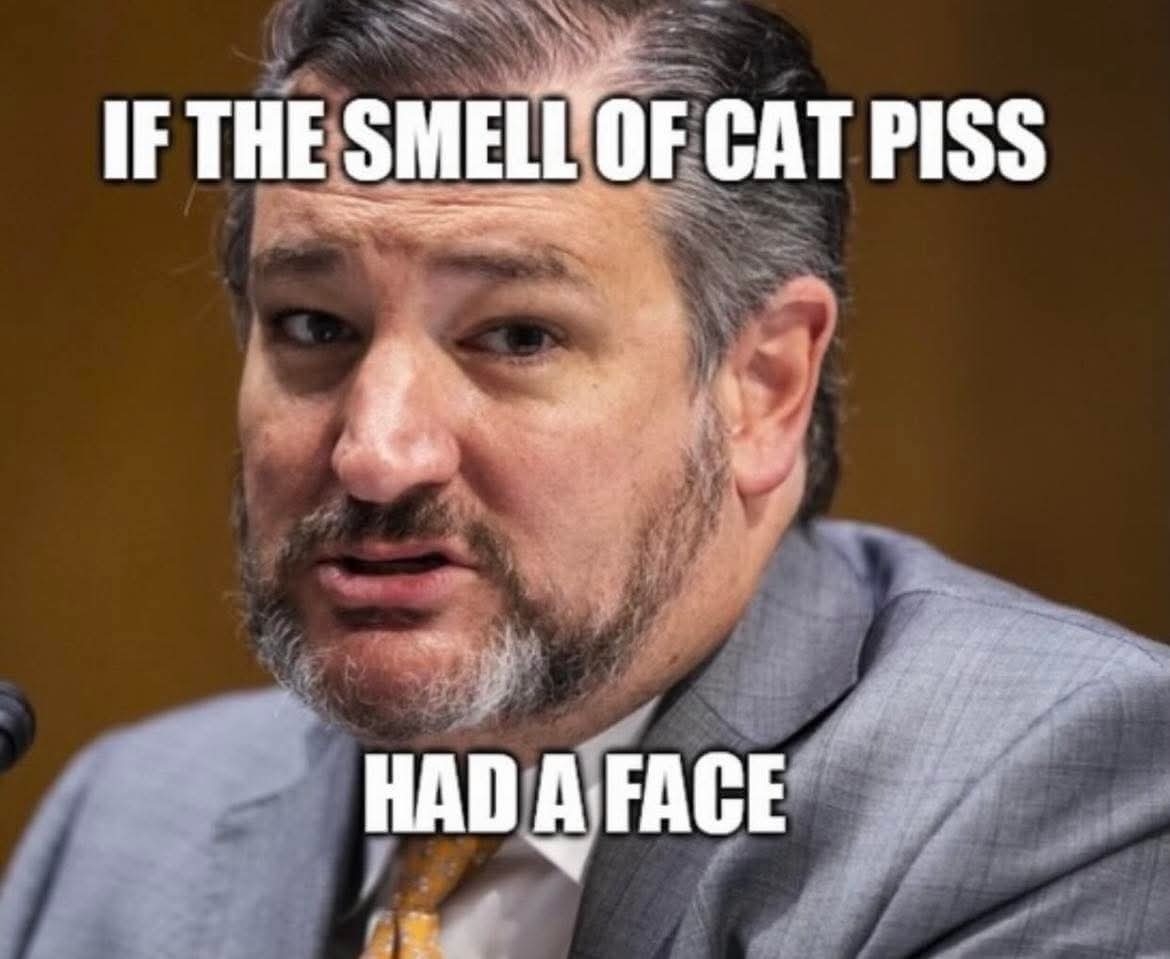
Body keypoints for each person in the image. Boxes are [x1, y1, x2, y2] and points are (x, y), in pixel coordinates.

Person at [2, 0, 1168, 956]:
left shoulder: (1051, 789)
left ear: (762, 384)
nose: (375, 451)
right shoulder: (124, 822)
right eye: (314, 324)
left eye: (516, 335)